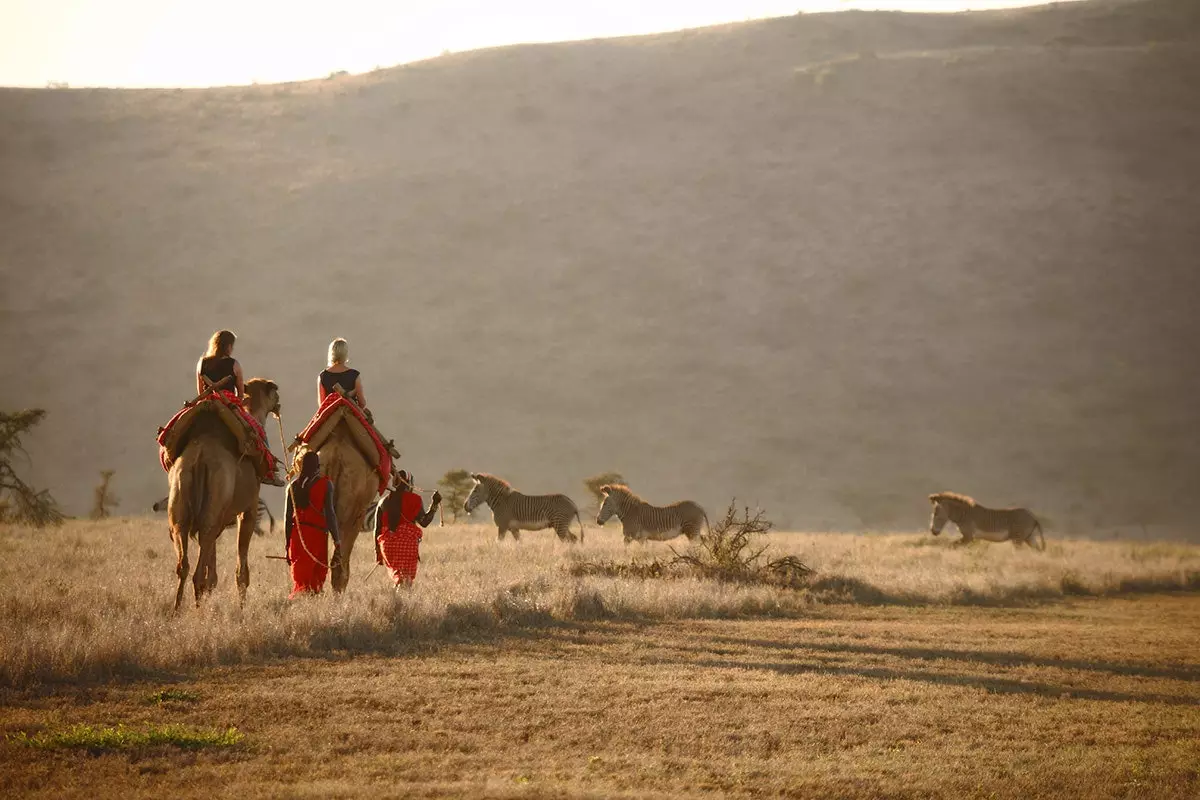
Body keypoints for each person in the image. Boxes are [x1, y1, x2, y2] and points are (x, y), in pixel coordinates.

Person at [284, 451, 342, 597]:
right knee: (316, 579)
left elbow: (287, 519)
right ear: (318, 466)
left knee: (301, 580)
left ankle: (301, 608)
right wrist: (337, 539)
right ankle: (311, 607)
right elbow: (330, 514)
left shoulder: (291, 486)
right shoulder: (326, 484)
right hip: (317, 536)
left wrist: (287, 544)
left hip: (297, 537)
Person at [374, 470, 441, 587]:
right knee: (406, 580)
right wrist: (435, 504)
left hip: (387, 545)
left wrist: (378, 553)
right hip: (407, 543)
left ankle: (397, 601)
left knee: (399, 578)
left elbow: (377, 530)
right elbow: (424, 522)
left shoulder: (382, 502)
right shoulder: (415, 499)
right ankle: (404, 604)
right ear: (409, 483)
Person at [318, 337, 366, 410]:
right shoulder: (354, 375)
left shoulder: (323, 376)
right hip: (351, 414)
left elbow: (322, 405)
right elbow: (362, 403)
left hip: (331, 415)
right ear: (345, 354)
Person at [196, 329, 244, 399]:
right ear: (229, 346)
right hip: (228, 405)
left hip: (207, 404)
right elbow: (240, 394)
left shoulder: (201, 363)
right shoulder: (235, 364)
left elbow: (200, 392)